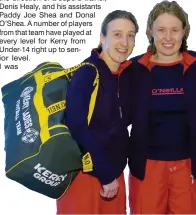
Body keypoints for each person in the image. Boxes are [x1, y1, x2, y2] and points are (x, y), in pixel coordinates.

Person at [128, 1, 196, 214]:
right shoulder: (134, 68)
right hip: (146, 167)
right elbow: (115, 114)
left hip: (188, 166)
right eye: (161, 30)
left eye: (175, 30)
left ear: (185, 31)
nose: (168, 37)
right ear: (150, 31)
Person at [56, 10, 138, 214]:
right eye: (117, 34)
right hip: (84, 176)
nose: (124, 42)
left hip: (113, 175)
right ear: (102, 38)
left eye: (130, 35)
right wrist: (105, 174)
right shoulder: (87, 72)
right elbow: (77, 127)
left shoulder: (124, 75)